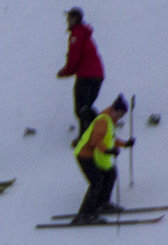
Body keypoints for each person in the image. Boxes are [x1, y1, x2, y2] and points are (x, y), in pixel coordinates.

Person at [72, 93, 134, 224]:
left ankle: (102, 203)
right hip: (84, 155)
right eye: (121, 114)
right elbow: (96, 140)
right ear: (114, 110)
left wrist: (125, 143)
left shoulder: (109, 121)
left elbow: (109, 139)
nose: (121, 117)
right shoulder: (103, 120)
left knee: (110, 173)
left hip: (92, 155)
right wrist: (108, 150)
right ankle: (84, 215)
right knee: (96, 182)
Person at [56, 7, 105, 141]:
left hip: (86, 76)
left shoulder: (77, 34)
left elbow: (74, 56)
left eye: (70, 17)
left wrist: (65, 71)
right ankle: (101, 130)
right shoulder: (84, 33)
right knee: (87, 107)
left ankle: (85, 138)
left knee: (81, 108)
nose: (67, 20)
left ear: (76, 19)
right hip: (98, 75)